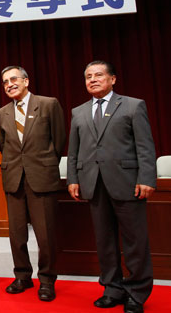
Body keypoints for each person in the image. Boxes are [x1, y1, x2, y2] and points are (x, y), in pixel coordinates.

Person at [67, 60, 156, 313]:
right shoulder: (78, 112)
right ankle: (112, 288)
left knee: (134, 241)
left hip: (128, 183)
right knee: (104, 241)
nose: (92, 79)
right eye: (88, 76)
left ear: (113, 79)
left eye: (98, 75)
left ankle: (136, 292)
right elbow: (73, 151)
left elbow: (145, 147)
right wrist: (73, 179)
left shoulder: (132, 105)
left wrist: (147, 178)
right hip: (93, 184)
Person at [0, 66, 65, 302]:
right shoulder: (1, 113)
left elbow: (59, 142)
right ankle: (22, 276)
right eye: (5, 82)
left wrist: (42, 165)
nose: (9, 84)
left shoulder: (48, 104)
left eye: (13, 79)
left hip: (42, 178)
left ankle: (46, 280)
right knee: (16, 235)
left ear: (26, 80)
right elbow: (5, 145)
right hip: (14, 179)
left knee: (45, 235)